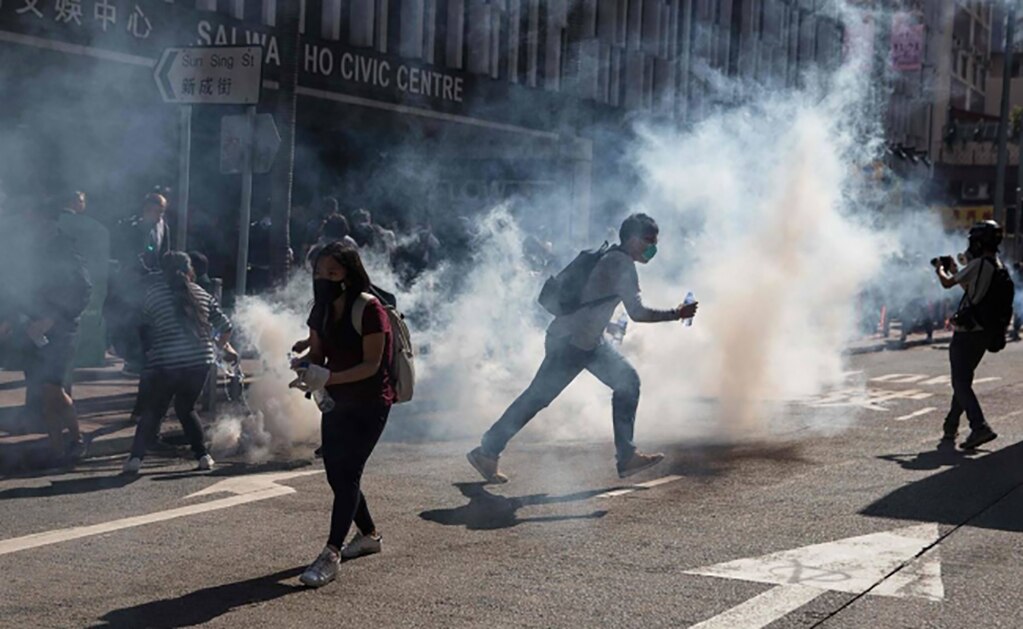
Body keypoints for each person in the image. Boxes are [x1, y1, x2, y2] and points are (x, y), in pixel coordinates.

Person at [468, 213, 699, 483]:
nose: (653, 248)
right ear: (634, 240)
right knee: (536, 398)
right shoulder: (621, 264)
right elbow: (637, 312)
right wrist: (676, 313)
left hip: (586, 342)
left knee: (627, 382)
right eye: (649, 241)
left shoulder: (610, 256)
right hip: (571, 344)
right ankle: (487, 450)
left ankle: (627, 456)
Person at [290, 242, 395, 588]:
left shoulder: (370, 310)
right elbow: (319, 353)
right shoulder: (319, 310)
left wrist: (330, 376)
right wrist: (307, 368)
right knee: (336, 474)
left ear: (349, 274)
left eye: (332, 273)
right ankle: (369, 536)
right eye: (319, 273)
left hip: (370, 402)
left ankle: (331, 553)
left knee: (348, 472)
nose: (324, 279)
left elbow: (372, 364)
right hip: (336, 401)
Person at [122, 252, 234, 474]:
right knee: (186, 408)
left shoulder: (153, 295)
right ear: (189, 270)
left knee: (154, 410)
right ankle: (203, 455)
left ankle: (135, 459)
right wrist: (221, 347)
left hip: (166, 362)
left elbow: (143, 328)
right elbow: (225, 326)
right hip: (200, 361)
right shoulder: (201, 293)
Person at [0, 199, 92, 462]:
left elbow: (83, 290)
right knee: (42, 392)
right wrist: (8, 320)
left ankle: (76, 439)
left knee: (53, 388)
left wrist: (53, 318)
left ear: (47, 222)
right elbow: (17, 290)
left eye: (35, 221)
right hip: (32, 330)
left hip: (61, 330)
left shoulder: (66, 249)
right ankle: (57, 450)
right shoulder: (30, 251)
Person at [935, 220, 1004, 450]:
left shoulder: (979, 264)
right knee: (963, 379)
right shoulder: (996, 265)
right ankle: (951, 425)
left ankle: (979, 426)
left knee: (960, 381)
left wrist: (940, 269)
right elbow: (972, 291)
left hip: (968, 332)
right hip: (985, 332)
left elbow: (946, 284)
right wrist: (956, 270)